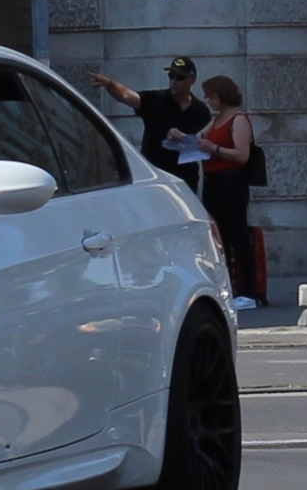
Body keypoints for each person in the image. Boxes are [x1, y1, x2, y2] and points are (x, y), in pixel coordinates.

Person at [187, 74, 259, 311]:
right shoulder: (216, 121)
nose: (207, 100)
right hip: (213, 182)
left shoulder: (238, 120)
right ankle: (228, 288)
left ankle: (248, 291)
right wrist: (182, 138)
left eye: (211, 95)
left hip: (232, 182)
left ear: (223, 95)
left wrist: (214, 149)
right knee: (219, 238)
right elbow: (198, 138)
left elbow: (242, 155)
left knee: (237, 235)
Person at [88, 57, 210, 190]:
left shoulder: (201, 110)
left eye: (180, 77)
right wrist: (109, 83)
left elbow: (206, 146)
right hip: (155, 177)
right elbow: (125, 95)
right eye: (171, 76)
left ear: (192, 80)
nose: (174, 81)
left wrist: (184, 138)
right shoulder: (155, 100)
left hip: (185, 179)